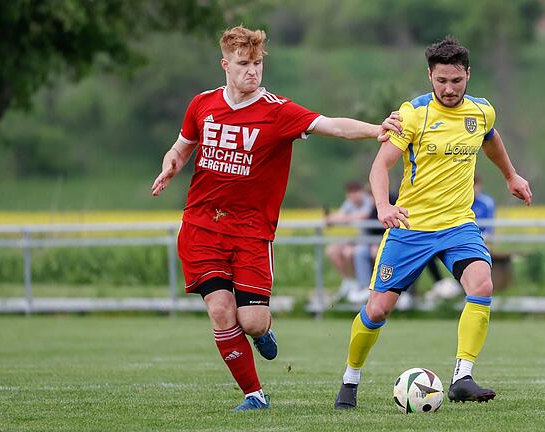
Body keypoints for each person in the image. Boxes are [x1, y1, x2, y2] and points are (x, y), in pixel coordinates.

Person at [151, 26, 399, 411]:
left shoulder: (277, 111)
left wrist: (375, 130)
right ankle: (255, 395)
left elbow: (330, 124)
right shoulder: (202, 104)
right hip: (201, 227)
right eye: (243, 63)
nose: (252, 71)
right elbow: (182, 147)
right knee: (220, 311)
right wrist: (171, 163)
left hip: (251, 232)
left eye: (257, 64)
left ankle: (262, 331)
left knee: (251, 322)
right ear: (225, 65)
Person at [334, 36, 532, 409]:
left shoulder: (482, 112)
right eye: (441, 81)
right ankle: (350, 379)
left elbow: (490, 140)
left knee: (482, 284)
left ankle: (462, 377)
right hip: (411, 226)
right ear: (430, 75)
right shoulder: (413, 114)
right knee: (377, 310)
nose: (449, 88)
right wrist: (381, 205)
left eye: (456, 81)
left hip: (458, 224)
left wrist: (511, 176)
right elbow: (380, 165)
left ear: (468, 75)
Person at [325, 181, 374, 302]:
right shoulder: (349, 203)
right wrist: (331, 219)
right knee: (331, 251)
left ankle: (359, 284)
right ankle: (348, 281)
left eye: (355, 193)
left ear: (361, 192)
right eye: (350, 194)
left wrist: (343, 219)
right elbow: (340, 215)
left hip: (370, 238)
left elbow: (364, 215)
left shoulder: (369, 201)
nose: (353, 197)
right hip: (357, 238)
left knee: (349, 252)